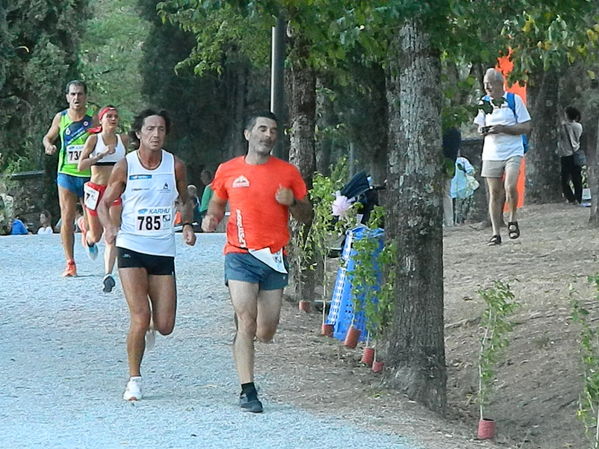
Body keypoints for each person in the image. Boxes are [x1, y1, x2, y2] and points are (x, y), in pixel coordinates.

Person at [202, 111, 312, 413]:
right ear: (248, 134)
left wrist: (293, 203)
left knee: (266, 331)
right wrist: (212, 217)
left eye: (273, 131)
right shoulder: (228, 170)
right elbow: (217, 200)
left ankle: (247, 329)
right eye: (262, 129)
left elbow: (307, 216)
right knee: (246, 321)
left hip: (274, 257)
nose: (268, 135)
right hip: (239, 254)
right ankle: (247, 390)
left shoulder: (287, 172)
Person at [97, 108, 196, 401]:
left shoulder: (175, 165)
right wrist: (108, 228)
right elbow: (104, 203)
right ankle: (134, 379)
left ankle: (151, 327)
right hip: (131, 248)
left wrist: (188, 224)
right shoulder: (125, 166)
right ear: (139, 133)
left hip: (162, 250)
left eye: (161, 130)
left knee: (164, 325)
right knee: (140, 316)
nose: (156, 135)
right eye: (150, 129)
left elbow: (185, 199)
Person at [43, 80, 96, 276]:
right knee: (66, 217)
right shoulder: (61, 117)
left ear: (86, 97)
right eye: (73, 94)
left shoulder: (93, 120)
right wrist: (49, 145)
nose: (76, 98)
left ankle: (85, 228)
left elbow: (103, 140)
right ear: (67, 97)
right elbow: (48, 137)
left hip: (89, 175)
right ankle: (70, 263)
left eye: (80, 94)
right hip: (66, 173)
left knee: (92, 223)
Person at [474, 68, 531, 246]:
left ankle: (513, 218)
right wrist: (483, 130)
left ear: (499, 83)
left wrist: (504, 128)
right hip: (491, 152)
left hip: (513, 150)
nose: (487, 88)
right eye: (485, 84)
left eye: (490, 84)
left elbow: (526, 126)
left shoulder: (514, 100)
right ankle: (495, 232)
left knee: (510, 185)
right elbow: (479, 124)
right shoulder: (483, 102)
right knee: (494, 192)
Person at [78, 105, 129, 293]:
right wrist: (100, 155)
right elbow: (80, 166)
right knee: (97, 234)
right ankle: (88, 236)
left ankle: (108, 274)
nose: (113, 119)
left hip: (113, 191)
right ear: (101, 120)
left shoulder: (123, 140)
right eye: (109, 116)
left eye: (115, 116)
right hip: (95, 189)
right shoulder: (93, 140)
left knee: (112, 232)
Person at [557, 106, 584, 204]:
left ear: (567, 115)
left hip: (566, 155)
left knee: (564, 180)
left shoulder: (565, 126)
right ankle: (578, 198)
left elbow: (561, 135)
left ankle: (571, 198)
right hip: (576, 154)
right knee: (577, 178)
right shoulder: (579, 126)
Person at [442, 127, 461, 227]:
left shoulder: (447, 131)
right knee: (446, 193)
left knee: (445, 193)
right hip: (449, 165)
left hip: (445, 164)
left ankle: (448, 221)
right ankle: (449, 221)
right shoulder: (455, 132)